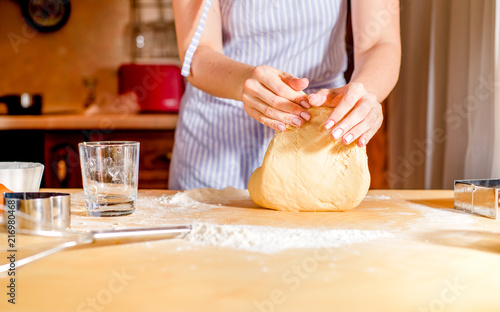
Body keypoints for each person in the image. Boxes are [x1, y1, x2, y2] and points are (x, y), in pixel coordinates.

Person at [169, 0, 401, 190]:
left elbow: (380, 41)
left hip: (320, 133)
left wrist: (364, 92)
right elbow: (197, 54)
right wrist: (244, 80)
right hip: (216, 140)